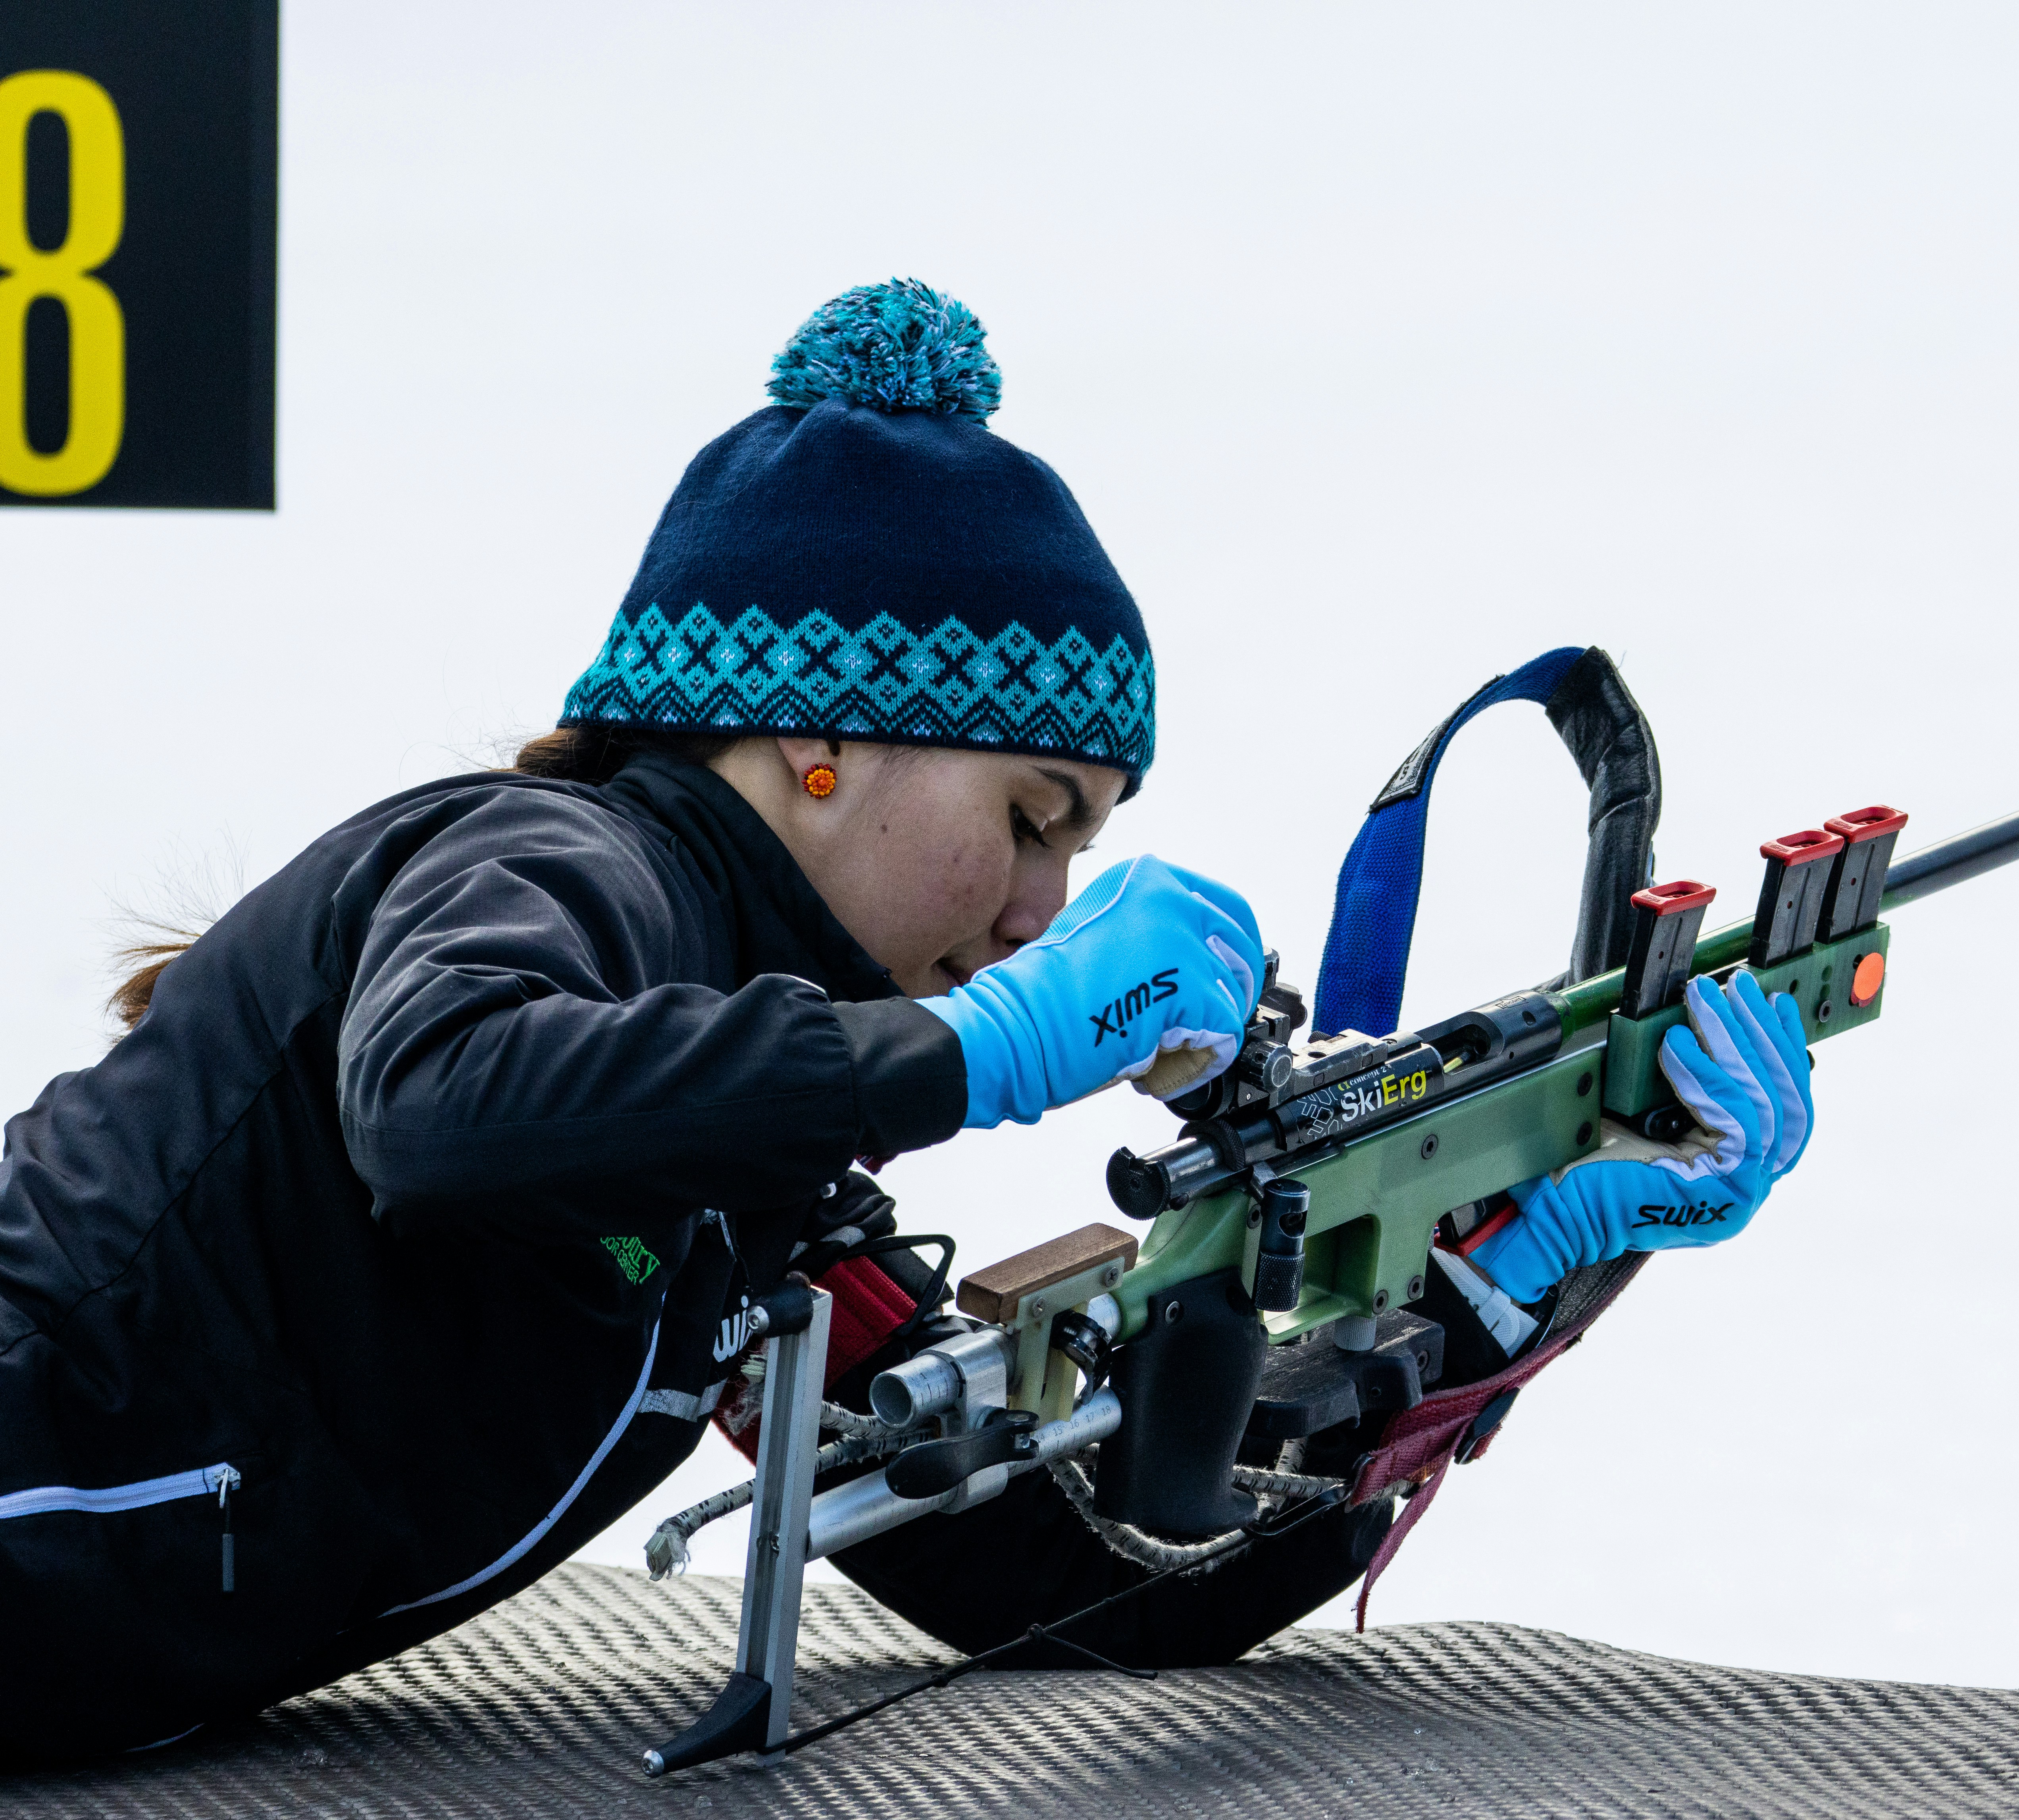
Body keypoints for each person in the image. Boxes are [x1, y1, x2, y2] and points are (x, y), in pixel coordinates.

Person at [0, 278, 1811, 1764]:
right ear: (818, 740)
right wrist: (983, 1053)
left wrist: (1515, 1268)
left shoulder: (760, 1177)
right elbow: (444, 1101)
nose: (1041, 911)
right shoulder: (558, 856)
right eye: (1030, 819)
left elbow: (1086, 1566)